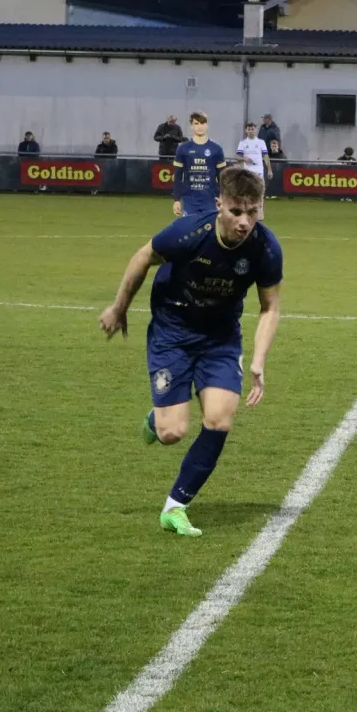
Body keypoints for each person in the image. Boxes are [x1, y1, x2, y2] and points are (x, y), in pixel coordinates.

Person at [97, 167, 282, 537]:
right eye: (236, 211)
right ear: (219, 205)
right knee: (172, 433)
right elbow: (142, 258)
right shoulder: (188, 233)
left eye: (253, 211)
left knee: (219, 419)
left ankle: (175, 507)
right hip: (173, 332)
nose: (245, 221)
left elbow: (270, 307)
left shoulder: (265, 248)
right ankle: (158, 418)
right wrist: (119, 308)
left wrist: (259, 361)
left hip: (221, 338)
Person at [171, 111, 226, 217]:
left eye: (202, 123)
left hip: (211, 201)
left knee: (210, 232)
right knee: (190, 232)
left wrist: (224, 198)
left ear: (207, 125)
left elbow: (223, 177)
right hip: (189, 201)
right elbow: (177, 176)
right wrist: (176, 199)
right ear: (191, 126)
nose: (200, 126)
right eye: (196, 123)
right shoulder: (183, 149)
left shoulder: (216, 149)